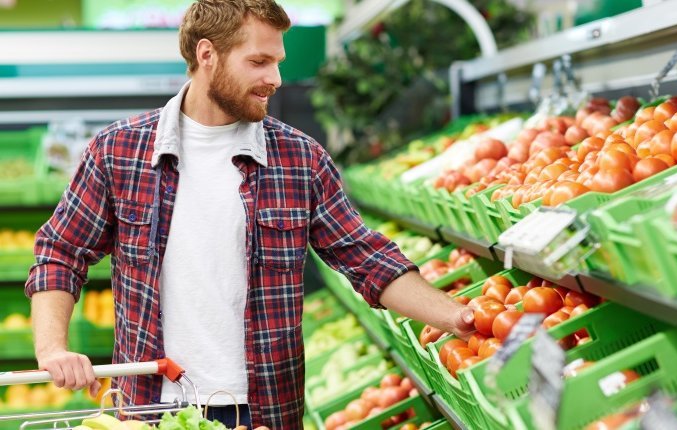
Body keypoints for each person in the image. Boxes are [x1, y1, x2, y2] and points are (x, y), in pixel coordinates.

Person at [25, 0, 475, 427]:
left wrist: (460, 318)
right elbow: (61, 252)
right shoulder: (119, 151)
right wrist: (52, 349)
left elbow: (368, 261)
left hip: (263, 412)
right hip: (152, 408)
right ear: (208, 55)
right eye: (259, 62)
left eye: (277, 61)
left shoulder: (299, 158)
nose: (276, 77)